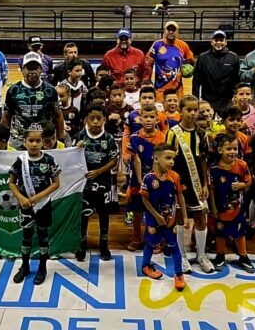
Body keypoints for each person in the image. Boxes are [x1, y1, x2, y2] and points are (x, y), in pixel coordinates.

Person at [165, 95, 213, 273]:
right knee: (179, 218)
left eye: (195, 110)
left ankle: (201, 254)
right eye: (189, 110)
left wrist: (206, 185)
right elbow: (167, 159)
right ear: (181, 110)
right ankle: (181, 255)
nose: (192, 113)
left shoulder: (202, 134)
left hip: (198, 184)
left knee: (201, 217)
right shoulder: (172, 133)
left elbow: (203, 161)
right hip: (178, 183)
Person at [9, 127, 62, 285]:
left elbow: (56, 183)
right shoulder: (20, 161)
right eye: (30, 141)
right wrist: (20, 197)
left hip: (43, 204)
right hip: (25, 205)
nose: (34, 144)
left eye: (37, 141)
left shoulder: (49, 160)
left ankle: (42, 267)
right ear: (24, 142)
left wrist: (38, 197)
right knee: (26, 236)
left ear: (43, 143)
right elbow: (11, 182)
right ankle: (24, 266)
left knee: (43, 235)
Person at [73, 105, 119, 261]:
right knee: (83, 215)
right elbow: (71, 158)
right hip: (84, 184)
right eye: (91, 118)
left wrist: (99, 171)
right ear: (86, 120)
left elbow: (114, 160)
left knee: (104, 215)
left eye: (98, 118)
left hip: (104, 183)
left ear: (104, 120)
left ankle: (104, 244)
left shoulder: (109, 138)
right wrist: (76, 148)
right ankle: (81, 244)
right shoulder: (80, 136)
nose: (95, 122)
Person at [140, 144, 187, 291]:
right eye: (168, 158)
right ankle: (145, 266)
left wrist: (184, 217)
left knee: (174, 246)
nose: (171, 162)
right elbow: (145, 199)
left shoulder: (175, 176)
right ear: (156, 158)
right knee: (150, 243)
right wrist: (156, 215)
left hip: (170, 220)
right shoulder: (148, 178)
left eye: (173, 158)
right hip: (154, 219)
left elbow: (180, 196)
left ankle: (179, 274)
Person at [209, 134, 254, 272]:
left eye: (235, 148)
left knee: (240, 233)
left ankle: (244, 256)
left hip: (238, 208)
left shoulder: (242, 165)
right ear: (220, 150)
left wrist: (241, 185)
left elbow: (248, 182)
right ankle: (220, 255)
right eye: (229, 149)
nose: (233, 152)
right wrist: (214, 208)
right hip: (220, 208)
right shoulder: (214, 168)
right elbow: (211, 189)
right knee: (220, 233)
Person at [126, 105, 168, 251]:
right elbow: (135, 159)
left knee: (156, 210)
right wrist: (140, 181)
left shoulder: (163, 137)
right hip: (138, 179)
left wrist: (153, 179)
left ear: (157, 119)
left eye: (152, 117)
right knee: (137, 211)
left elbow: (162, 161)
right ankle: (137, 239)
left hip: (157, 179)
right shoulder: (134, 137)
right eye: (145, 117)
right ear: (140, 119)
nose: (148, 120)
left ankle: (156, 240)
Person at [3, 52, 64, 150]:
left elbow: (58, 115)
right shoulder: (13, 90)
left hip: (43, 140)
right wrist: (4, 138)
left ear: (41, 69)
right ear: (22, 70)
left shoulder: (50, 90)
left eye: (35, 68)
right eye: (28, 68)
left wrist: (61, 137)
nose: (32, 71)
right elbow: (6, 116)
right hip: (19, 140)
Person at [192, 30, 240, 114]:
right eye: (216, 40)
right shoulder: (203, 58)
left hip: (227, 101)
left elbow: (237, 80)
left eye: (221, 40)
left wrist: (235, 96)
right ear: (211, 42)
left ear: (226, 42)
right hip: (207, 101)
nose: (218, 42)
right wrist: (196, 100)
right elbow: (196, 80)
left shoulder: (234, 57)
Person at [146, 21, 194, 101]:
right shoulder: (157, 44)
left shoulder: (183, 45)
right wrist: (149, 81)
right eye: (169, 29)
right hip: (160, 89)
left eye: (173, 30)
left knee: (177, 112)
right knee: (160, 112)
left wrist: (187, 70)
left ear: (177, 32)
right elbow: (148, 64)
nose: (171, 32)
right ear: (165, 31)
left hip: (177, 89)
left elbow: (192, 61)